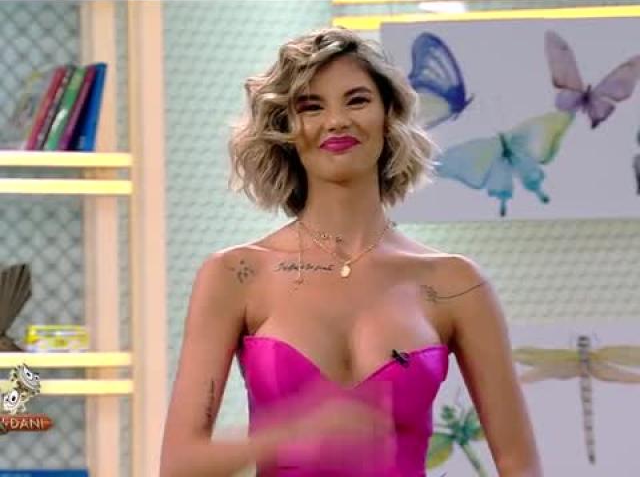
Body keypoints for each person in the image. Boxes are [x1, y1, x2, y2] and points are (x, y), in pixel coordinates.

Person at [159, 26, 543, 477]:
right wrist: (293, 431)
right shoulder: (235, 274)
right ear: (285, 129)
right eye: (311, 106)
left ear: (388, 117)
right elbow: (179, 466)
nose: (336, 121)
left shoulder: (455, 283)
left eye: (357, 100)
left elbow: (520, 465)